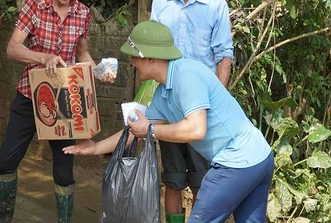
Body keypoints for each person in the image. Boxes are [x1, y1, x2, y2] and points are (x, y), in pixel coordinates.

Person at [63, 21, 274, 223]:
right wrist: (94, 148)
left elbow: (196, 129)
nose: (133, 63)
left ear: (151, 59)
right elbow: (134, 132)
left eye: (135, 57)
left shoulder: (186, 76)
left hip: (237, 162)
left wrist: (151, 130)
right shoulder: (163, 93)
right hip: (259, 158)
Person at [0, 0, 104, 223]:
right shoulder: (34, 5)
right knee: (5, 163)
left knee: (64, 171)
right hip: (31, 95)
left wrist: (98, 71)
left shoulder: (82, 13)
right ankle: (1, 219)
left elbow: (81, 54)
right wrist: (43, 57)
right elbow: (13, 48)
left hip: (64, 101)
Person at [150, 0, 234, 222]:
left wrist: (217, 100)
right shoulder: (161, 0)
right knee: (172, 179)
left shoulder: (215, 5)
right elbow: (151, 50)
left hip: (202, 109)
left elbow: (224, 56)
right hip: (169, 105)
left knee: (202, 181)